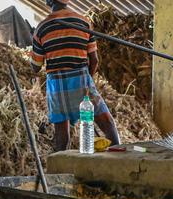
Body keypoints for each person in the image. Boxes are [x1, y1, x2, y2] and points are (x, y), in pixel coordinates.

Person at [30, 0, 120, 152]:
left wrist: (34, 55)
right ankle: (120, 159)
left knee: (61, 134)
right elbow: (95, 60)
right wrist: (87, 80)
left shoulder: (41, 28)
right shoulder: (83, 22)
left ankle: (60, 165)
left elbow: (35, 67)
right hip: (81, 80)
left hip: (57, 85)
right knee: (107, 124)